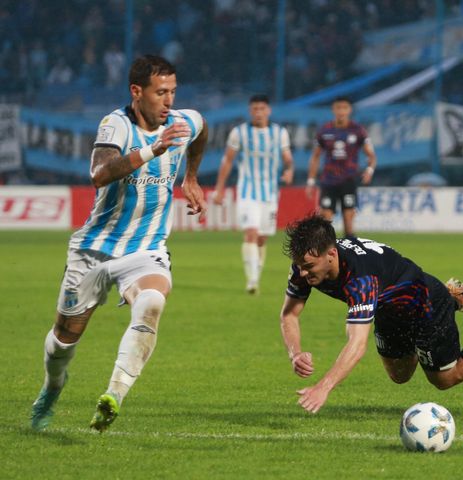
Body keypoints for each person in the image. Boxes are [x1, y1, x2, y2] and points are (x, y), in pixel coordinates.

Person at [30, 54, 208, 433]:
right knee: (64, 340)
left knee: (152, 303)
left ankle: (114, 395)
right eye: (160, 93)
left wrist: (190, 177)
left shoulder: (182, 122)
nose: (169, 101)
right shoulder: (116, 124)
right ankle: (52, 387)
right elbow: (99, 174)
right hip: (94, 249)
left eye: (173, 92)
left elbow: (202, 130)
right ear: (136, 92)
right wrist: (152, 150)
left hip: (147, 248)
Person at [279, 214, 463, 414]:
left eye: (308, 266)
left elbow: (357, 343)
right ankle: (453, 297)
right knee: (399, 375)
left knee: (444, 378)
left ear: (331, 254)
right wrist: (295, 353)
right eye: (299, 265)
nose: (302, 273)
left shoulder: (361, 279)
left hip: (426, 305)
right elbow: (289, 315)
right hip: (388, 307)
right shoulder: (307, 263)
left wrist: (323, 387)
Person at [213, 94, 294, 294]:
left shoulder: (279, 133)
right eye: (255, 109)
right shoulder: (239, 133)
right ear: (250, 111)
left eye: (262, 109)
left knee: (262, 238)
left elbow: (287, 158)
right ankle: (252, 281)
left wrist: (289, 170)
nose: (258, 113)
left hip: (270, 192)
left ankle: (255, 273)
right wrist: (220, 188)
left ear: (269, 110)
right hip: (247, 191)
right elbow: (228, 161)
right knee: (251, 233)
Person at [306, 96, 377, 238]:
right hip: (328, 180)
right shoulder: (325, 130)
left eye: (344, 108)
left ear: (349, 110)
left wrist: (369, 170)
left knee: (348, 219)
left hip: (348, 180)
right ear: (333, 110)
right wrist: (311, 181)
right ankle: (327, 254)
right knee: (325, 218)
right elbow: (315, 156)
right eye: (338, 108)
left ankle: (349, 253)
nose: (341, 111)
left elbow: (371, 156)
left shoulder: (358, 130)